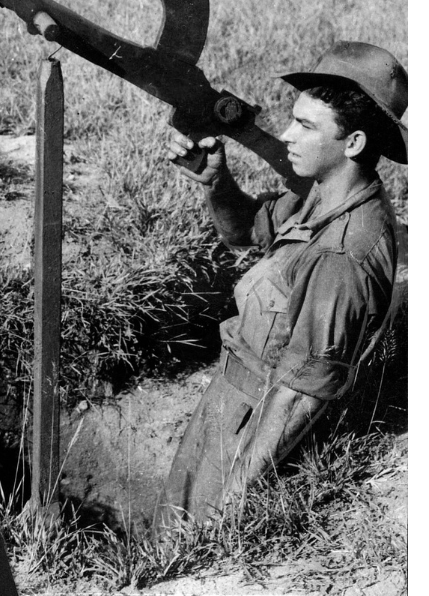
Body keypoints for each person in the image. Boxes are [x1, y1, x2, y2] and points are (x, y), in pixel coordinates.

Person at [153, 41, 408, 532]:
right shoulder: (321, 194)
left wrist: (232, 502)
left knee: (186, 550)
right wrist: (215, 183)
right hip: (228, 399)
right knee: (168, 529)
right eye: (293, 119)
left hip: (256, 428)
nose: (287, 135)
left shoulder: (342, 254)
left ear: (353, 143)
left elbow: (303, 392)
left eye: (306, 127)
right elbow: (245, 230)